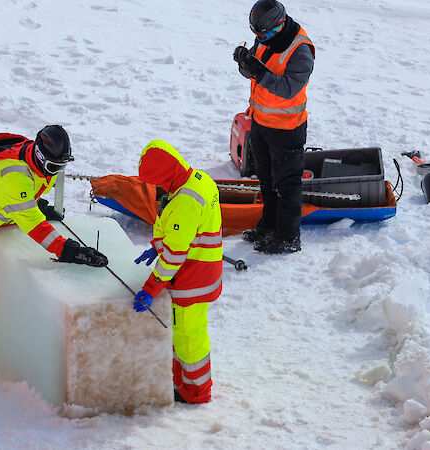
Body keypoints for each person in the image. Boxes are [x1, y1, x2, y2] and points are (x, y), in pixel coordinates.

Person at [0, 125, 108, 376]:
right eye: (54, 168)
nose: (57, 173)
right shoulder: (12, 175)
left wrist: (36, 204)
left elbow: (30, 195)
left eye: (62, 167)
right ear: (41, 157)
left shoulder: (36, 157)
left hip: (7, 213)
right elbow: (35, 227)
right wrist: (68, 250)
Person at [132, 139, 222, 404]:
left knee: (188, 338)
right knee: (186, 334)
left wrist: (150, 290)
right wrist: (156, 246)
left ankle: (195, 392)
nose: (157, 187)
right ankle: (183, 382)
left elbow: (174, 256)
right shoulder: (198, 179)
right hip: (204, 271)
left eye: (156, 181)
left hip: (191, 282)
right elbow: (183, 233)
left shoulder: (185, 201)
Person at [232, 0, 315, 254]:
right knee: (266, 180)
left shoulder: (300, 49)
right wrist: (245, 65)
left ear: (279, 24)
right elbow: (258, 71)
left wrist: (259, 74)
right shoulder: (267, 36)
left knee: (287, 185)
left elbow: (289, 89)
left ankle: (288, 238)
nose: (260, 40)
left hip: (287, 128)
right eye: (256, 35)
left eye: (263, 35)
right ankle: (268, 225)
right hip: (260, 122)